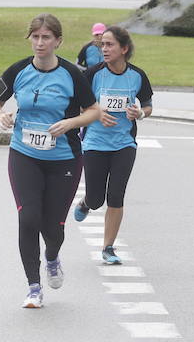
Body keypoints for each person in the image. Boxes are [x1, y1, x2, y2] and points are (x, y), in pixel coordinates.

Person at [0, 13, 100, 309]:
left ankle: (51, 258)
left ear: (57, 41)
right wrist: (0, 114)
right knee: (28, 217)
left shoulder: (72, 74)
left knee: (52, 227)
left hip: (64, 158)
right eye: (35, 37)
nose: (39, 43)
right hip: (25, 154)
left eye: (46, 37)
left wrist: (71, 123)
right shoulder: (19, 70)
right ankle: (33, 287)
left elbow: (94, 111)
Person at [74, 26, 153, 265]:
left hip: (124, 144)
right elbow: (77, 107)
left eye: (110, 45)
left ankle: (108, 248)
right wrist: (96, 113)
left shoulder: (137, 76)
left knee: (116, 196)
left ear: (124, 49)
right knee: (97, 199)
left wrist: (139, 113)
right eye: (103, 45)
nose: (104, 49)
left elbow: (148, 104)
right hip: (95, 143)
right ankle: (87, 203)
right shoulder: (92, 74)